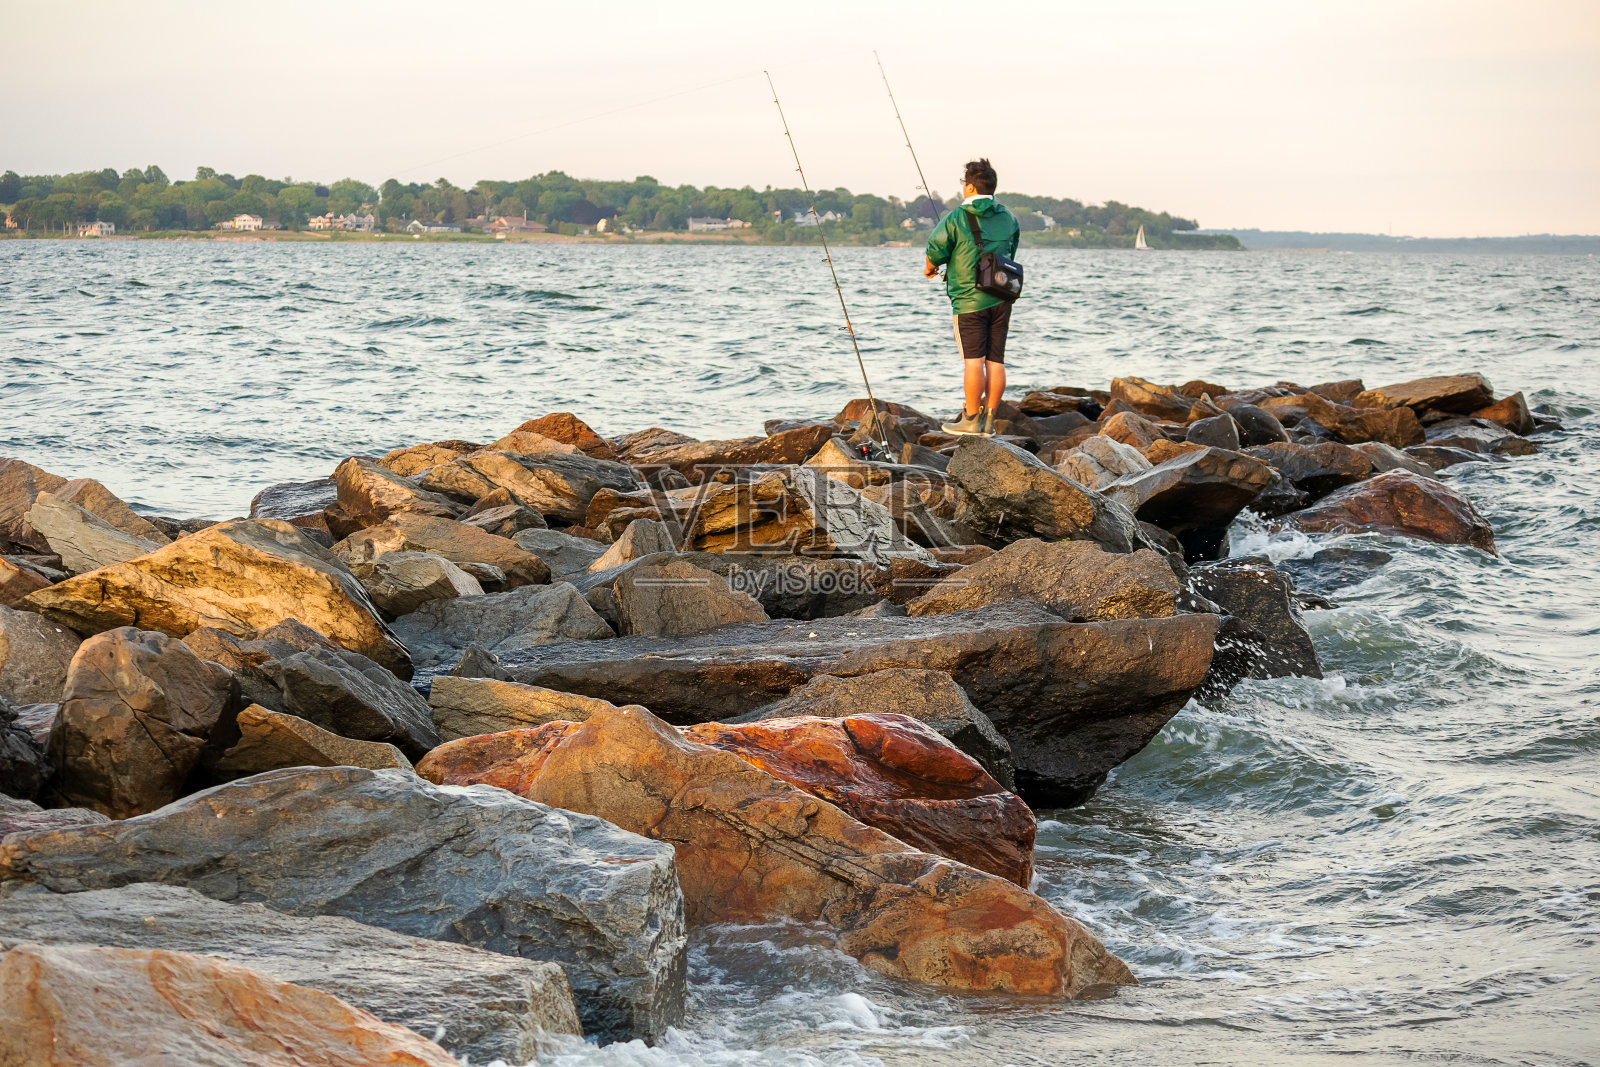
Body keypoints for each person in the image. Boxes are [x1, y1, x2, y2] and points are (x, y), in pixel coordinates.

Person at [924, 158, 1021, 436]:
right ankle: (989, 421)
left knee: (973, 361)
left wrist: (930, 269)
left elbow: (935, 251)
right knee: (996, 361)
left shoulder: (954, 218)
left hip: (968, 300)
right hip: (1001, 296)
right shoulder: (1008, 217)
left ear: (968, 187)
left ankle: (970, 419)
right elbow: (1011, 250)